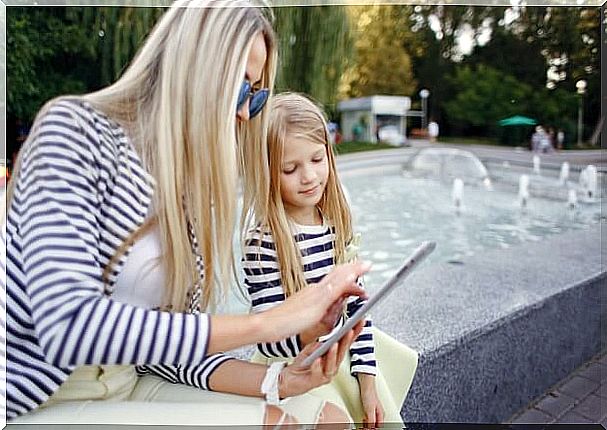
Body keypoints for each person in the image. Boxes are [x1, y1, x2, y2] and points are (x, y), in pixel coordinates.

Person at [2, 1, 371, 426]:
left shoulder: (187, 190)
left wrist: (279, 380)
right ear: (195, 66)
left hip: (130, 380)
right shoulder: (73, 131)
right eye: (240, 88)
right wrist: (271, 323)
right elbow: (67, 326)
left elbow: (175, 343)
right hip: (39, 398)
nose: (241, 114)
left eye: (255, 97)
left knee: (329, 418)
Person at [242, 93, 414, 428]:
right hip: (296, 366)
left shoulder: (336, 223)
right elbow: (265, 332)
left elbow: (358, 313)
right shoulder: (264, 241)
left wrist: (367, 381)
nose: (308, 177)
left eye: (317, 160)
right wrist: (310, 335)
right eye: (290, 168)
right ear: (266, 173)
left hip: (346, 357)